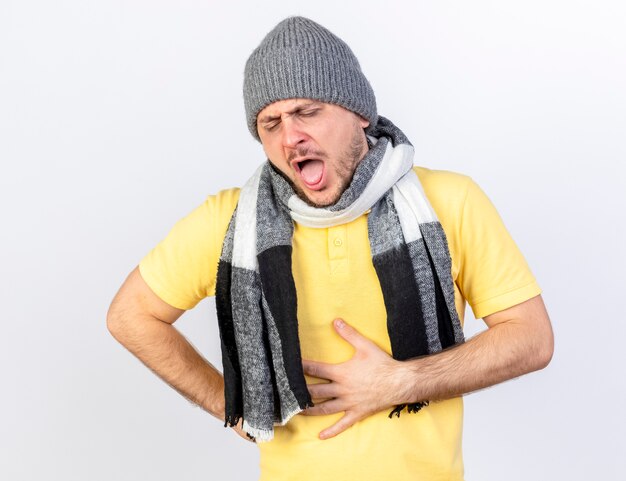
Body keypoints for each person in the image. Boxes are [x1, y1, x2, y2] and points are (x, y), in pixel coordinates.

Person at [107, 16, 553, 481]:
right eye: (270, 123)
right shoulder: (231, 222)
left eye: (307, 112)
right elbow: (131, 316)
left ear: (360, 112)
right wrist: (231, 403)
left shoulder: (450, 201)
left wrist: (400, 382)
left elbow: (531, 338)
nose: (289, 136)